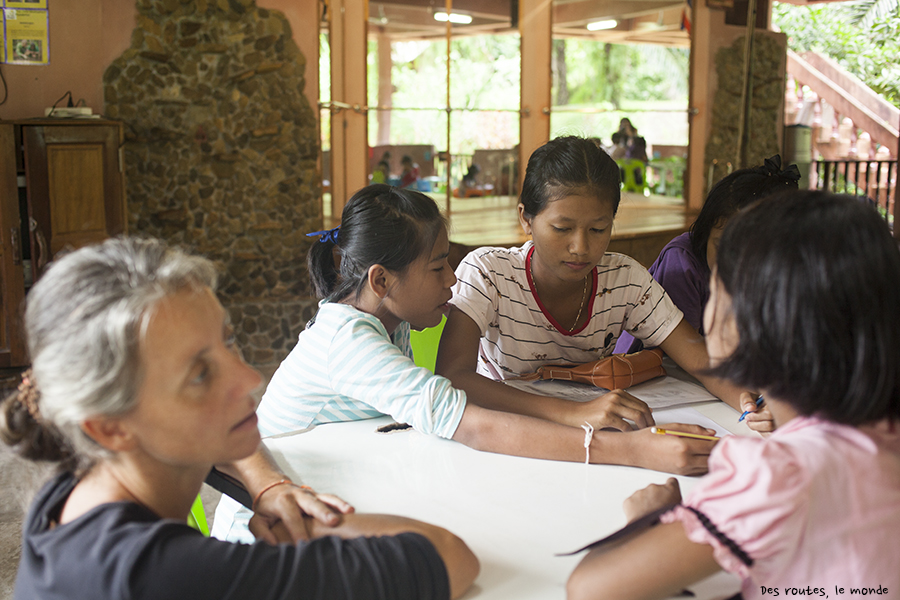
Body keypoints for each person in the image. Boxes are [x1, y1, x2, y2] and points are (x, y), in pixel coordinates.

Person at [214, 184, 720, 543]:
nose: (452, 281)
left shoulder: (390, 322)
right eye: (438, 266)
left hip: (334, 489)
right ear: (381, 280)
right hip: (271, 532)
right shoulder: (347, 341)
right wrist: (631, 452)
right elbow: (471, 425)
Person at [0, 237, 478, 600]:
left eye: (227, 342)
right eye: (199, 374)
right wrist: (313, 528)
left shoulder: (78, 481)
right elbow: (448, 557)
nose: (249, 377)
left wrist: (268, 485)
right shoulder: (159, 572)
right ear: (109, 426)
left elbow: (239, 446)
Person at [566, 191, 900, 600]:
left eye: (718, 287)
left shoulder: (781, 476)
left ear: (750, 323)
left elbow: (591, 590)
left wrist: (651, 520)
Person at [436, 136, 771, 434]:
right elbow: (453, 374)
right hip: (504, 431)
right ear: (526, 218)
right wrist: (573, 413)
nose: (581, 247)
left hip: (591, 430)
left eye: (598, 229)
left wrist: (744, 397)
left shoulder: (625, 279)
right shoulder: (488, 273)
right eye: (562, 228)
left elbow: (698, 357)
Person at [615, 155, 800, 354]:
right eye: (722, 247)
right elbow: (687, 355)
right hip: (659, 371)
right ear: (706, 230)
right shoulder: (683, 265)